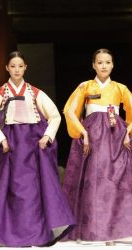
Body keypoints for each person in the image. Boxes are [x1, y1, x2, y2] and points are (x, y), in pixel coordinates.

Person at [0, 51, 75, 247]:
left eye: (20, 66)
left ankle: (36, 235)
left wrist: (47, 136)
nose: (17, 70)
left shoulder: (35, 93)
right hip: (10, 146)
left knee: (33, 190)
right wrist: (0, 138)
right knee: (6, 188)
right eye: (13, 66)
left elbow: (55, 116)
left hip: (32, 146)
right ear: (7, 68)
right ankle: (2, 234)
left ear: (25, 67)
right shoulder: (0, 93)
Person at [62, 48, 132, 245]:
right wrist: (82, 132)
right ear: (93, 65)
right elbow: (69, 110)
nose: (104, 66)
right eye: (100, 62)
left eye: (108, 62)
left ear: (113, 65)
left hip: (116, 137)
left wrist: (128, 132)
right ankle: (92, 231)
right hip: (93, 136)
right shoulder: (85, 86)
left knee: (118, 180)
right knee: (94, 180)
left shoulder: (120, 88)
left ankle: (118, 231)